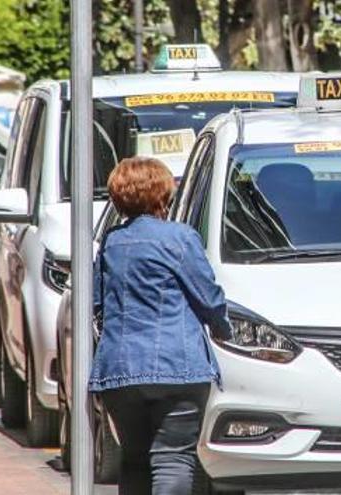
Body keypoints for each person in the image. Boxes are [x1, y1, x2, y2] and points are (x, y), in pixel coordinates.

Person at [89, 157, 233, 495]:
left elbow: (96, 304)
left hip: (120, 370)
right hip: (177, 367)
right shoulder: (180, 238)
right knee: (173, 459)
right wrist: (223, 328)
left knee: (135, 459)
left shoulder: (111, 242)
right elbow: (208, 298)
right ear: (162, 194)